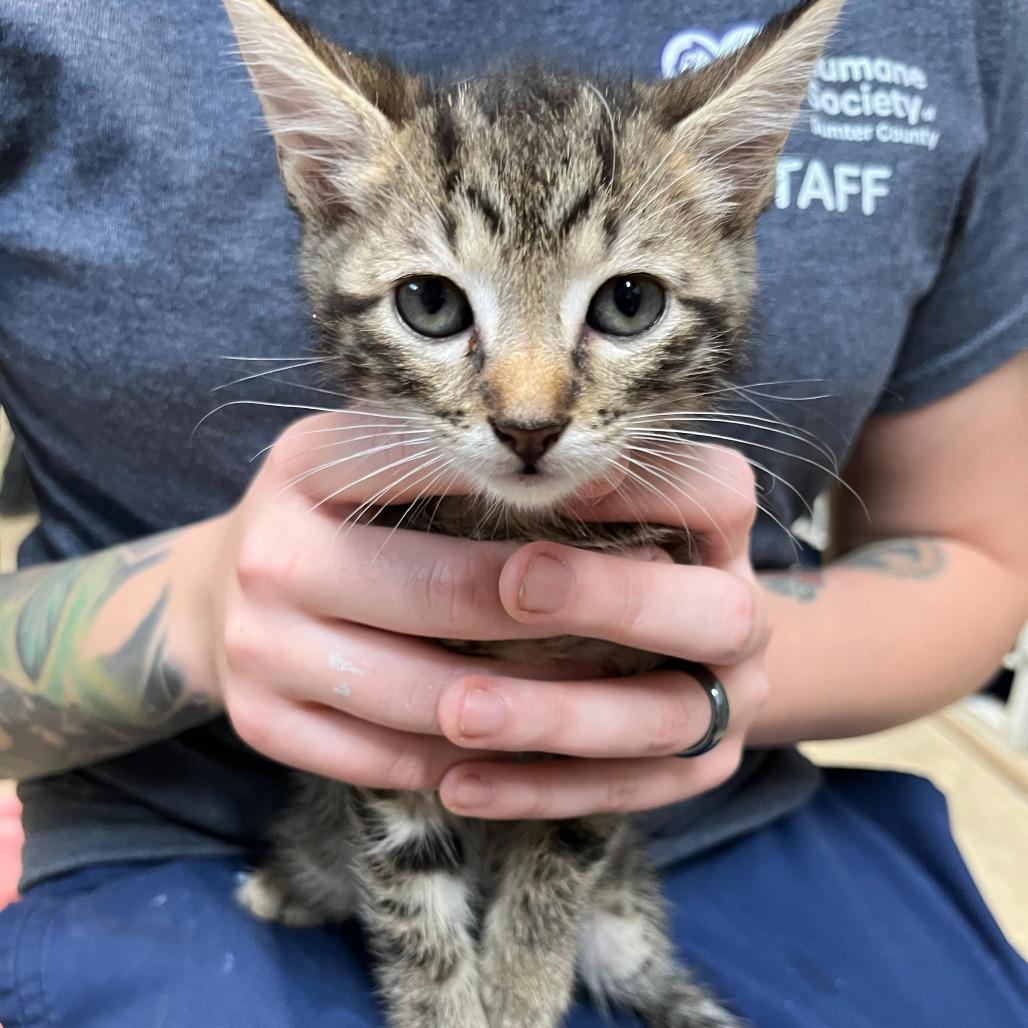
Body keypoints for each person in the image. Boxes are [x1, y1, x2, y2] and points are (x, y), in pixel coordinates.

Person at [1, 0, 1026, 1025]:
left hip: (715, 811)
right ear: (320, 186)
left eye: (623, 302)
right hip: (164, 832)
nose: (529, 409)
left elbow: (972, 549)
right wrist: (196, 609)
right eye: (436, 305)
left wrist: (695, 671)